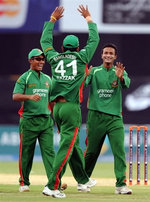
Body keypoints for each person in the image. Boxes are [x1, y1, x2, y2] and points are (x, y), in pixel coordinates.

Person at [40, 5, 100, 198]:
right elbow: (94, 39)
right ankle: (52, 185)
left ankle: (82, 180)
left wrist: (52, 20)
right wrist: (89, 18)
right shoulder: (82, 57)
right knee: (66, 147)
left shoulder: (54, 57)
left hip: (56, 108)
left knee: (72, 144)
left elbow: (45, 41)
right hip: (71, 107)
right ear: (77, 48)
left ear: (63, 47)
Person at [84, 43, 133, 194]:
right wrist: (85, 76)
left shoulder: (119, 71)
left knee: (119, 151)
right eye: (106, 53)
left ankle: (120, 184)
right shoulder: (95, 71)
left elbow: (127, 85)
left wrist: (122, 79)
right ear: (101, 55)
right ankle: (83, 180)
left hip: (114, 118)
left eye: (111, 53)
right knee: (92, 152)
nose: (108, 55)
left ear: (115, 56)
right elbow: (84, 84)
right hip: (96, 116)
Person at [12, 48, 56, 192]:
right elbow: (15, 96)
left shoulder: (48, 79)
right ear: (30, 60)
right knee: (26, 153)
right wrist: (29, 97)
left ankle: (53, 182)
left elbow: (52, 102)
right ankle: (24, 183)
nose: (41, 62)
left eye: (42, 59)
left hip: (45, 122)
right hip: (28, 121)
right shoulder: (25, 77)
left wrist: (58, 118)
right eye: (37, 59)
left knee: (49, 153)